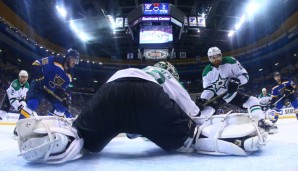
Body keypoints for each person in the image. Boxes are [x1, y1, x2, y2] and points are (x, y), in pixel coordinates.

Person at [16, 61, 266, 164]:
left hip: (110, 92)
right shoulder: (164, 74)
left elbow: (109, 102)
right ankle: (230, 138)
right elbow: (190, 111)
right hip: (148, 96)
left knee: (82, 137)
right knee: (190, 136)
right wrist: (187, 125)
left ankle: (56, 139)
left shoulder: (129, 70)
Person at [198, 47, 277, 133]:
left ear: (221, 55)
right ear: (209, 58)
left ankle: (261, 122)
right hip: (216, 96)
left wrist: (237, 81)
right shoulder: (206, 72)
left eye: (217, 56)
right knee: (204, 111)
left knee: (253, 100)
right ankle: (198, 129)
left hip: (231, 94)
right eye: (213, 57)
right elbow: (208, 89)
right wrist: (203, 99)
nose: (216, 59)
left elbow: (245, 76)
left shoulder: (231, 61)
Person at [19, 48, 79, 120]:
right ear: (67, 58)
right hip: (39, 85)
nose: (75, 62)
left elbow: (60, 89)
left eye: (76, 61)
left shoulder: (70, 76)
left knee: (63, 106)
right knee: (33, 103)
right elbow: (36, 63)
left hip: (50, 91)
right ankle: (19, 126)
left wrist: (64, 97)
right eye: (73, 59)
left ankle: (52, 123)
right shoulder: (54, 60)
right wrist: (39, 76)